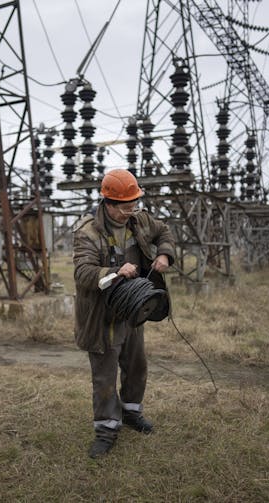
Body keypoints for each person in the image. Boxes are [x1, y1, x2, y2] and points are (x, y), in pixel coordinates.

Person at [72, 168, 176, 459]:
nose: (132, 210)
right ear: (109, 203)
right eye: (126, 206)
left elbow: (164, 230)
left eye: (135, 204)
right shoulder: (88, 232)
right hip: (102, 316)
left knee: (137, 365)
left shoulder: (139, 220)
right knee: (105, 376)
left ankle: (131, 413)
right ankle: (106, 430)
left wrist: (164, 254)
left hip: (133, 310)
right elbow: (82, 272)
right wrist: (114, 272)